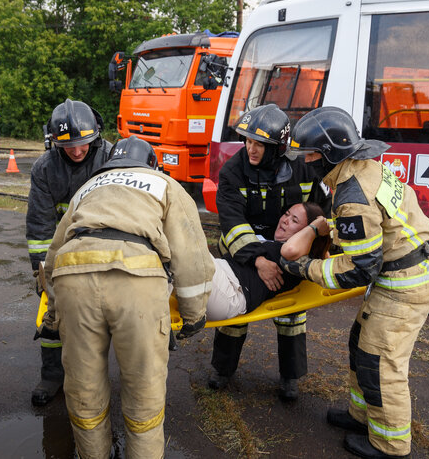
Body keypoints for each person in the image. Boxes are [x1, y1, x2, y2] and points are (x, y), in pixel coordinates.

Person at [281, 106, 429, 459]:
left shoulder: (352, 194)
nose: (306, 161)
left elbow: (357, 269)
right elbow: (377, 225)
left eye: (311, 154)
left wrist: (304, 268)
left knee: (380, 363)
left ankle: (390, 445)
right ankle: (362, 416)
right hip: (403, 272)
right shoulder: (365, 168)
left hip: (404, 285)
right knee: (361, 346)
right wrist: (333, 228)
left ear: (329, 155)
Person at [43, 136, 214, 458]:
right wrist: (193, 315)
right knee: (143, 390)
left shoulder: (89, 187)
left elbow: (53, 255)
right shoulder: (166, 184)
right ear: (152, 163)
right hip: (137, 281)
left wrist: (53, 317)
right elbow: (191, 256)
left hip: (73, 277)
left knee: (84, 389)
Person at [210, 103, 331, 401]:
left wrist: (319, 248)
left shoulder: (303, 168)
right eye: (248, 141)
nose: (250, 149)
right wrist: (259, 260)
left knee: (292, 314)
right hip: (243, 251)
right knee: (236, 312)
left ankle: (290, 378)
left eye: (259, 144)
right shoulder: (233, 171)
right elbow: (232, 223)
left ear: (278, 147)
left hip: (287, 251)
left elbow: (321, 212)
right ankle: (223, 371)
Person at [27, 99, 112, 406]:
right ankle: (52, 377)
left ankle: (100, 377)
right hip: (62, 255)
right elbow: (39, 226)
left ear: (96, 137)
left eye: (84, 144)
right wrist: (42, 272)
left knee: (109, 317)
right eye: (69, 146)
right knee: (52, 316)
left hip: (106, 251)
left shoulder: (111, 158)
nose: (77, 151)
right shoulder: (45, 169)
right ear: (54, 143)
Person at [206, 202, 330, 321]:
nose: (285, 220)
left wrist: (314, 229)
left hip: (230, 292)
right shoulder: (273, 243)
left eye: (294, 220)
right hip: (219, 277)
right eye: (286, 214)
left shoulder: (299, 258)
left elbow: (292, 249)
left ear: (306, 233)